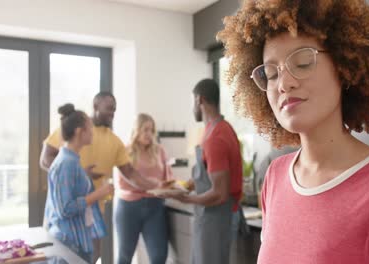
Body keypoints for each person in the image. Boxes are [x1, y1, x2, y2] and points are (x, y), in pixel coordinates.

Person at [217, 0, 369, 263]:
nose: (284, 83)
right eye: (271, 73)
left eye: (302, 62)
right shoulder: (275, 177)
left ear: (344, 67)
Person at [40, 92, 163, 213]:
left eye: (114, 110)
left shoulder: (115, 142)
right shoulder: (73, 129)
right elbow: (46, 159)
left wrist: (158, 186)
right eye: (109, 109)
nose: (112, 114)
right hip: (66, 213)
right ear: (95, 106)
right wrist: (79, 174)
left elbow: (130, 173)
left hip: (94, 214)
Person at [167, 79, 243, 264]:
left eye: (192, 102)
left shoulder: (216, 137)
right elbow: (207, 175)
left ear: (200, 100)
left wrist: (185, 198)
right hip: (207, 216)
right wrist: (184, 187)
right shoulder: (215, 129)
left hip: (216, 218)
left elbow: (219, 193)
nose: (192, 107)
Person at [44, 103, 113, 263]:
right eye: (90, 128)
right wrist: (98, 194)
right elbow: (65, 209)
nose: (93, 133)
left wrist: (83, 176)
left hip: (77, 240)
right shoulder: (66, 163)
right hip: (70, 243)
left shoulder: (72, 162)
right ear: (79, 132)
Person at [115, 113, 172, 264]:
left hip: (155, 207)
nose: (149, 134)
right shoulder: (125, 151)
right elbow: (124, 181)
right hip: (129, 207)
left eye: (152, 130)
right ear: (137, 130)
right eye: (145, 130)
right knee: (125, 257)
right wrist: (153, 184)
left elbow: (168, 179)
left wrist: (174, 187)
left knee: (159, 256)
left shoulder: (159, 151)